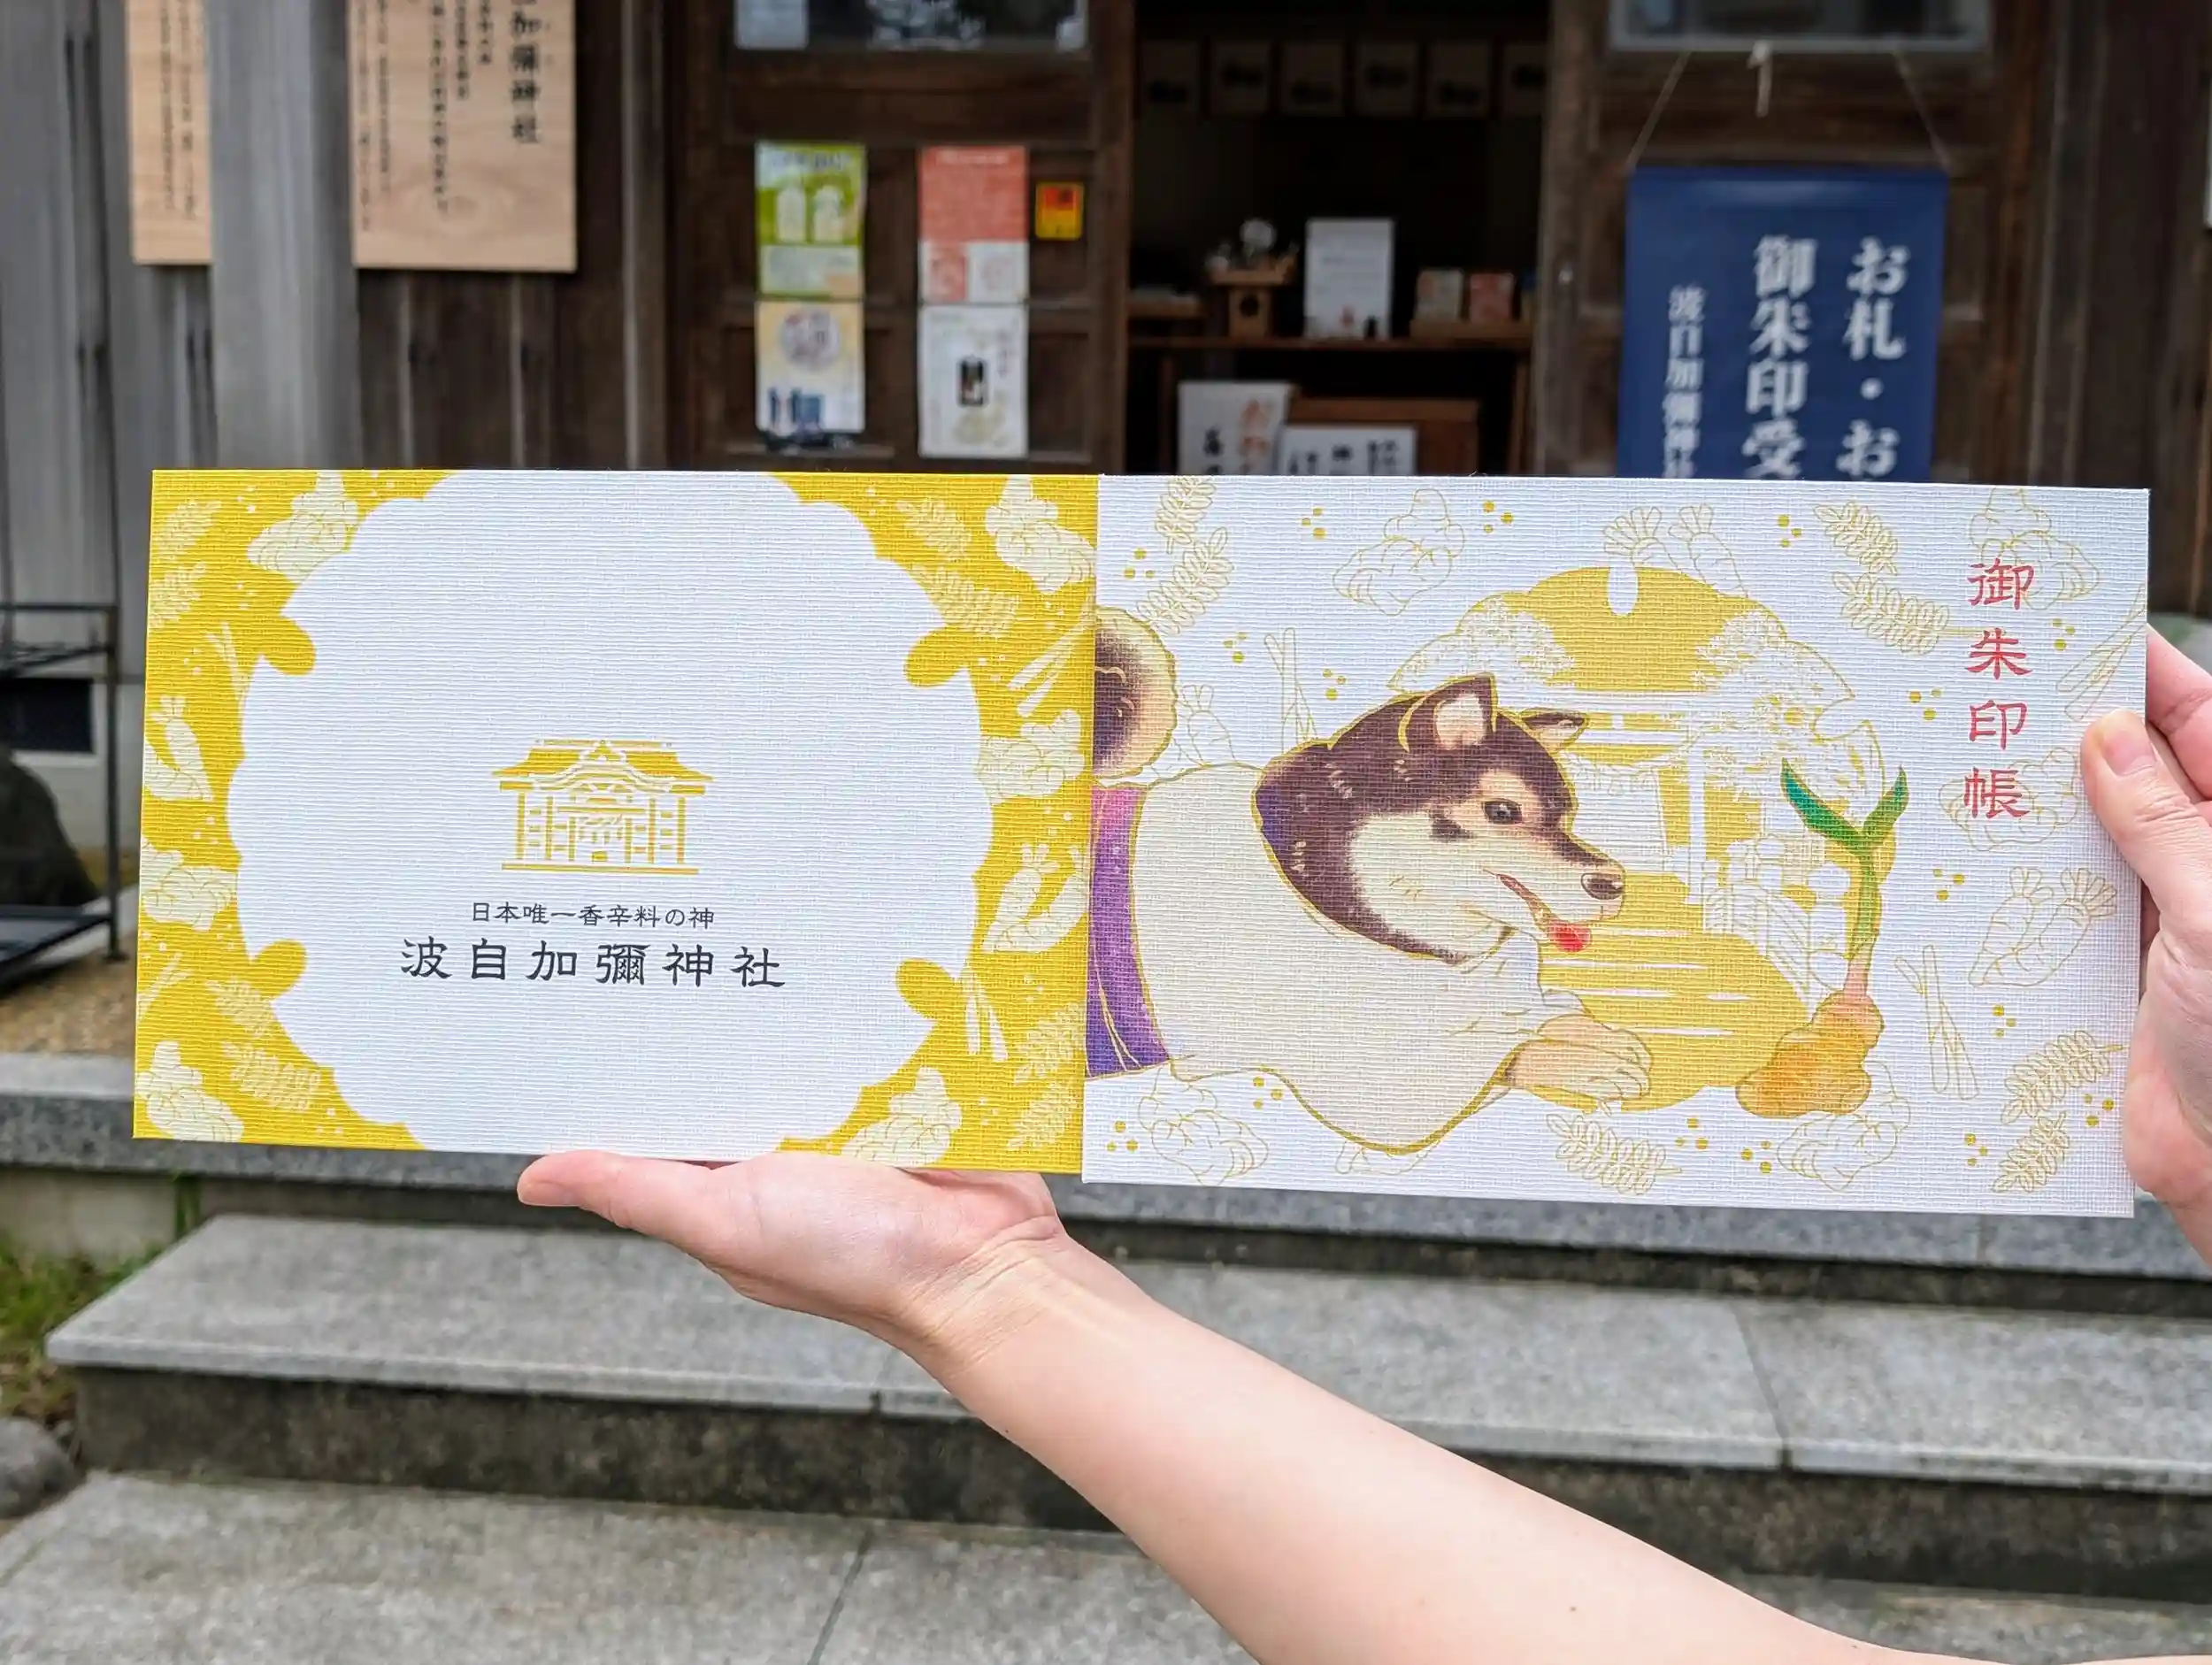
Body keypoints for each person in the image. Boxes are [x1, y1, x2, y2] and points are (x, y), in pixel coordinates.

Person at [518, 631, 2212, 1665]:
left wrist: (988, 1287)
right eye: (1507, 820)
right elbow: (1379, 1082)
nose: (1556, 858)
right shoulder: (1288, 903)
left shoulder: (1373, 924)